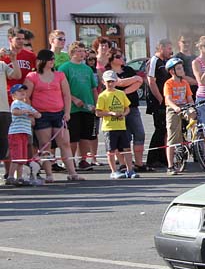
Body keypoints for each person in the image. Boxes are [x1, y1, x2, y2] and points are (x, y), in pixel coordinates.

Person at [23, 50, 83, 182]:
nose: (52, 61)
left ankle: (72, 173)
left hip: (58, 113)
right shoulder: (32, 76)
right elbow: (26, 97)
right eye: (49, 59)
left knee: (65, 143)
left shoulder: (59, 75)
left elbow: (66, 94)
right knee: (45, 145)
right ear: (42, 60)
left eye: (53, 59)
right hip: (41, 114)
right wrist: (32, 114)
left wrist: (67, 112)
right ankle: (49, 174)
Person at [105, 49, 149, 171]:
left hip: (132, 106)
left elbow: (139, 82)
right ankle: (123, 164)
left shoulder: (128, 70)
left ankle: (139, 163)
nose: (122, 59)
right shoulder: (109, 73)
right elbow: (118, 82)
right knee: (123, 136)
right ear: (111, 59)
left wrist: (123, 92)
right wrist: (131, 80)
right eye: (118, 57)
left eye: (123, 57)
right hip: (117, 108)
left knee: (139, 133)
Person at [58, 42, 99, 170]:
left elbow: (93, 88)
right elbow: (61, 88)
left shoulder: (87, 69)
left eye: (83, 51)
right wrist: (73, 99)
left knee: (86, 135)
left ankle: (83, 160)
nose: (82, 54)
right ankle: (71, 161)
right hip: (72, 108)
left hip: (87, 107)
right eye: (79, 51)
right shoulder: (65, 68)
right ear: (72, 53)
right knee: (73, 137)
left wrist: (96, 104)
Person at [95, 70, 136, 179]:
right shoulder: (102, 96)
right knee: (111, 150)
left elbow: (127, 108)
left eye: (112, 81)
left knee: (126, 149)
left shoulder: (121, 93)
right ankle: (113, 171)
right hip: (109, 127)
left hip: (121, 126)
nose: (110, 84)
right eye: (108, 82)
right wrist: (110, 113)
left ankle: (130, 170)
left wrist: (123, 114)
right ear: (103, 82)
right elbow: (98, 112)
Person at [163, 57, 193, 175]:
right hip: (173, 109)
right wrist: (175, 107)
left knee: (194, 114)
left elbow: (189, 98)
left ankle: (196, 136)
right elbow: (168, 99)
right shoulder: (168, 83)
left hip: (184, 107)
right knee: (172, 137)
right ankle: (170, 166)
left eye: (182, 68)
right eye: (179, 68)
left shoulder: (185, 82)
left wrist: (192, 106)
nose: (182, 70)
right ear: (172, 71)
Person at [145, 39, 173, 168]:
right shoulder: (154, 60)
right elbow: (151, 81)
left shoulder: (166, 62)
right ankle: (152, 159)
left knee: (166, 129)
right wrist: (160, 98)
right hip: (157, 101)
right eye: (168, 48)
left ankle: (163, 157)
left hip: (167, 99)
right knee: (160, 128)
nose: (170, 51)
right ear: (161, 48)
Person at [7, 84, 39, 186]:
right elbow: (15, 112)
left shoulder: (27, 105)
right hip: (16, 133)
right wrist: (25, 112)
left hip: (25, 133)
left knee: (22, 157)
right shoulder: (15, 103)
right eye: (19, 91)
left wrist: (33, 114)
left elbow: (39, 114)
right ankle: (11, 176)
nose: (22, 92)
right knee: (17, 156)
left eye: (24, 91)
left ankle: (20, 177)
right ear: (13, 95)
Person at [0, 55, 21, 180]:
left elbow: (17, 76)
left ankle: (9, 174)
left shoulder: (2, 64)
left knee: (6, 144)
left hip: (4, 110)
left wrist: (13, 60)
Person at [2, 27, 37, 101]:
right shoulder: (3, 57)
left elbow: (38, 74)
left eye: (23, 39)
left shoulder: (31, 55)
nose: (21, 41)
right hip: (9, 97)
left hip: (27, 96)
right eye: (18, 39)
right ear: (10, 39)